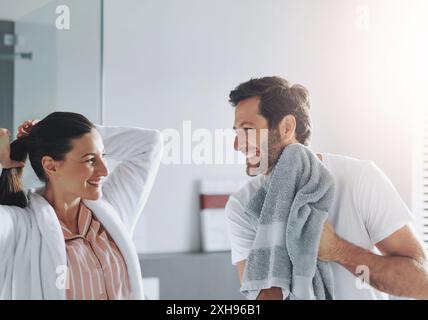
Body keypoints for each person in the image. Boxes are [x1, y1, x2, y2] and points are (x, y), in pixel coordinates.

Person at [226, 76, 428, 299]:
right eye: (237, 132)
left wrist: (338, 250)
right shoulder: (243, 205)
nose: (237, 145)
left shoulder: (360, 179)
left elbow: (421, 283)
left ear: (286, 127)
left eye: (247, 130)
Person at [0, 112, 162, 299]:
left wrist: (46, 134)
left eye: (103, 156)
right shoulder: (18, 225)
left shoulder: (111, 209)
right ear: (51, 166)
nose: (105, 170)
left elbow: (150, 143)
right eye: (90, 160)